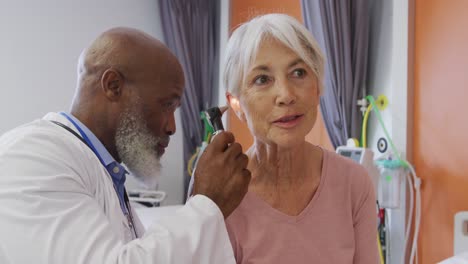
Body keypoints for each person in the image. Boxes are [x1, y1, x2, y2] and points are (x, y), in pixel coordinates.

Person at [0, 27, 251, 263]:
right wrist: (207, 202)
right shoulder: (32, 156)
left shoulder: (103, 170)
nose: (172, 127)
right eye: (166, 105)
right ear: (113, 86)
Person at [223, 14, 379, 263]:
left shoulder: (353, 183)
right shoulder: (219, 192)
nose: (286, 95)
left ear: (317, 88)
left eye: (298, 72)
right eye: (262, 79)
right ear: (236, 103)